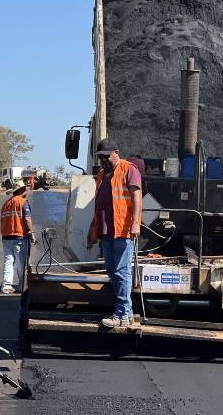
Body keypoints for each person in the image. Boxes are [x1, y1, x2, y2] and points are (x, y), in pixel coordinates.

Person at [86, 138, 142, 328]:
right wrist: (93, 228)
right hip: (106, 230)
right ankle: (126, 313)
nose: (103, 160)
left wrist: (135, 224)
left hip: (122, 230)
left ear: (116, 153)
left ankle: (122, 314)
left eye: (106, 156)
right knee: (112, 271)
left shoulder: (129, 169)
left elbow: (137, 198)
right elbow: (99, 203)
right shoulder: (102, 174)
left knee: (121, 271)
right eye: (100, 157)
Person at [0, 180, 36, 294]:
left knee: (8, 261)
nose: (26, 191)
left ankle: (6, 286)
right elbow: (27, 219)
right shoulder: (22, 202)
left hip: (6, 237)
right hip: (19, 236)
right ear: (21, 190)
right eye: (25, 189)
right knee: (21, 263)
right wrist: (32, 233)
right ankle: (22, 285)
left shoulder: (6, 204)